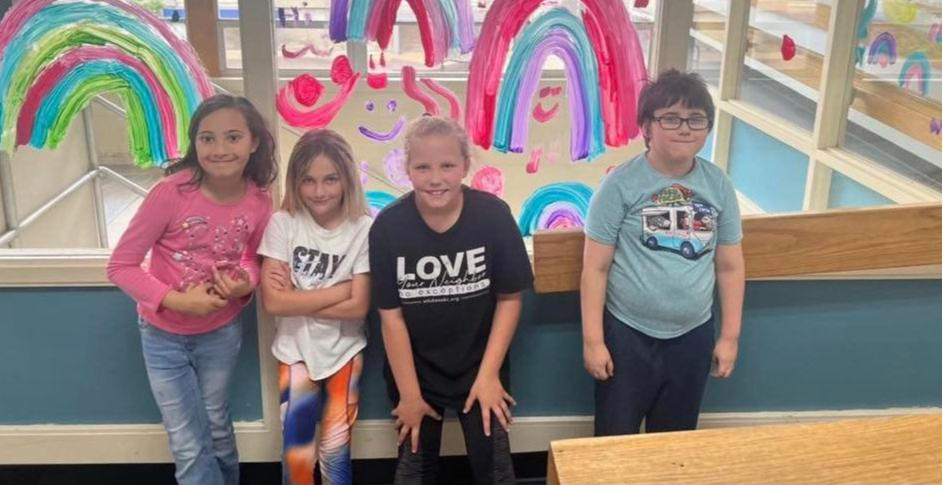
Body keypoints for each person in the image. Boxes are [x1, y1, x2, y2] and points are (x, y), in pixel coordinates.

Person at [108, 94, 277, 484]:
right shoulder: (170, 194)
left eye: (233, 137)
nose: (219, 149)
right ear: (194, 143)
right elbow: (121, 265)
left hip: (221, 334)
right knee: (187, 441)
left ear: (253, 143)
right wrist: (176, 300)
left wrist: (244, 283)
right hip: (163, 337)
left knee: (217, 425)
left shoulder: (259, 201)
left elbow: (254, 259)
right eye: (207, 138)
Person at [581, 70, 745, 437]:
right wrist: (593, 341)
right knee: (615, 437)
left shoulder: (718, 185)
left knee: (673, 442)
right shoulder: (620, 185)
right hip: (627, 334)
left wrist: (729, 336)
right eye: (670, 118)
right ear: (646, 127)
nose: (685, 128)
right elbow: (595, 268)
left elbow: (730, 267)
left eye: (696, 119)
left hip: (694, 335)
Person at [369, 116, 533, 484]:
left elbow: (510, 299)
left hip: (480, 365)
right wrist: (409, 396)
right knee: (414, 469)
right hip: (416, 372)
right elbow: (391, 317)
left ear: (465, 166)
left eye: (447, 165)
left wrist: (489, 375)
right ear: (407, 170)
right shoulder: (388, 228)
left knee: (493, 466)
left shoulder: (492, 216)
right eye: (422, 167)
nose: (436, 178)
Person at [258, 129, 372, 485]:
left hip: (345, 351)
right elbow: (274, 302)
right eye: (308, 180)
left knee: (336, 449)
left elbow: (359, 308)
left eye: (330, 179)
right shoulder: (283, 223)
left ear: (346, 180)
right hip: (295, 353)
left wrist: (298, 298)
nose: (319, 191)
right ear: (295, 182)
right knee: (297, 450)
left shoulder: (364, 228)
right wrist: (340, 290)